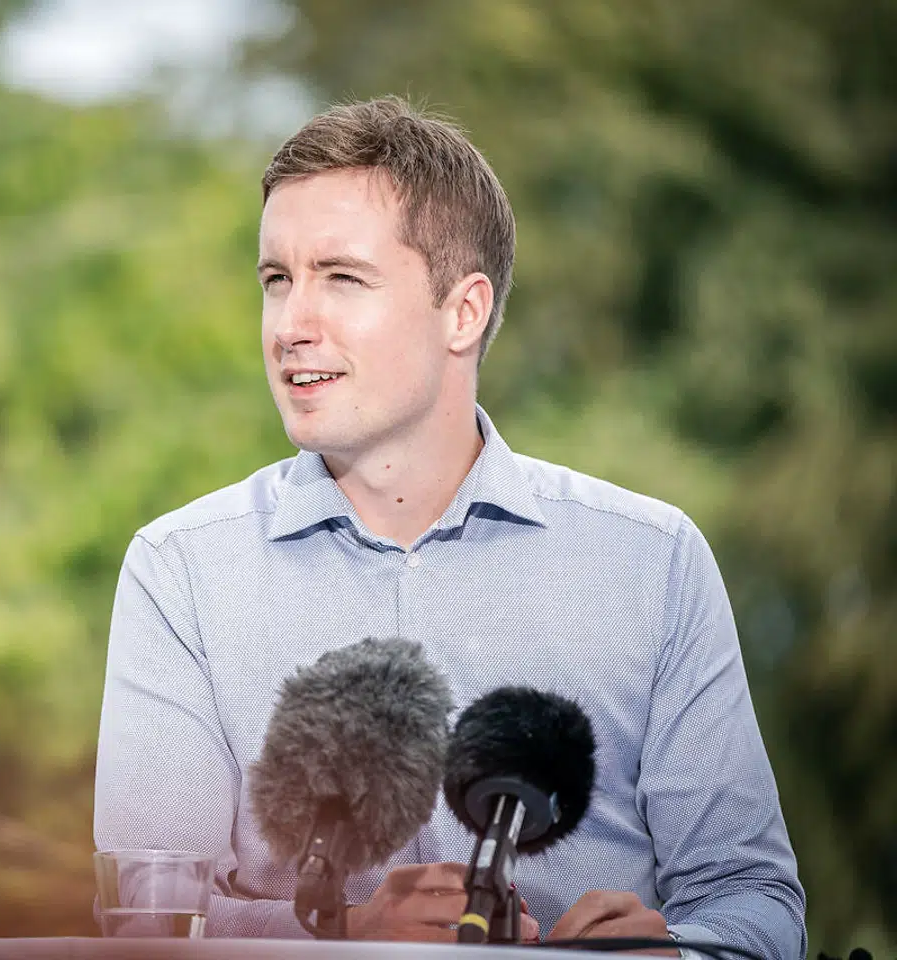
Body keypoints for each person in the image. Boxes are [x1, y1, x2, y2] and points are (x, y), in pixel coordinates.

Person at [92, 96, 806, 959]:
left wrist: (676, 952)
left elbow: (754, 899)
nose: (290, 325)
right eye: (277, 279)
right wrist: (343, 936)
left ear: (462, 313)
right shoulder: (181, 571)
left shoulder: (652, 562)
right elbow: (145, 920)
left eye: (341, 278)